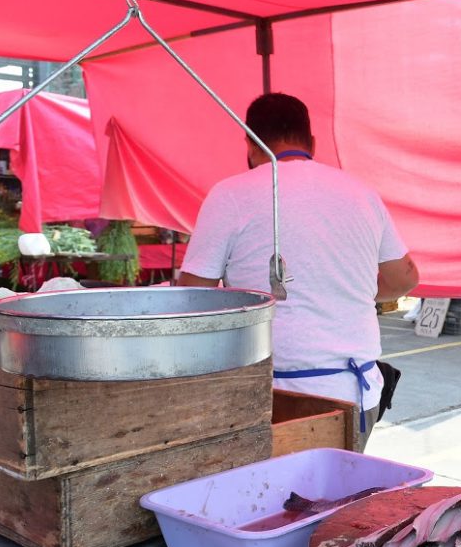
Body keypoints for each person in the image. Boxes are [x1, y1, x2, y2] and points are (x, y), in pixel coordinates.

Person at [178, 93, 418, 451]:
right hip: (355, 394)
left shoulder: (230, 195)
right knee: (341, 503)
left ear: (250, 143)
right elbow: (404, 279)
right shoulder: (361, 192)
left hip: (273, 400)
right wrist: (345, 289)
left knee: (272, 503)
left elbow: (194, 296)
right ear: (313, 142)